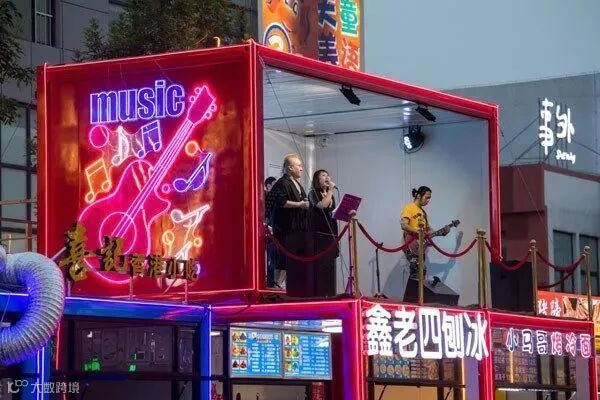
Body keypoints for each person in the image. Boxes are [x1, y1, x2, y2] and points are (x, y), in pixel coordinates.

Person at [270, 154, 311, 295]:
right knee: (282, 260)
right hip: (285, 229)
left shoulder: (297, 184)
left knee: (292, 261)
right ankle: (277, 289)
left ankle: (289, 288)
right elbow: (281, 202)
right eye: (298, 165)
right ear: (290, 167)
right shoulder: (282, 183)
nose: (301, 168)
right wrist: (300, 204)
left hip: (297, 229)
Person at [400, 186, 449, 278]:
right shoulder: (409, 207)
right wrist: (417, 231)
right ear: (419, 196)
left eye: (429, 198)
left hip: (421, 248)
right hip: (410, 246)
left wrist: (442, 233)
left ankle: (416, 287)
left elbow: (428, 231)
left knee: (421, 273)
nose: (428, 200)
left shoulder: (423, 213)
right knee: (417, 272)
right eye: (427, 197)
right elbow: (404, 225)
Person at [308, 169, 339, 297]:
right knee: (320, 266)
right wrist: (330, 190)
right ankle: (319, 295)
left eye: (328, 175)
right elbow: (322, 206)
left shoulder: (331, 195)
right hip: (319, 234)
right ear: (317, 179)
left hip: (331, 233)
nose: (327, 177)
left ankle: (330, 293)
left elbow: (332, 213)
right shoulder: (313, 193)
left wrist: (345, 212)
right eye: (323, 175)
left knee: (330, 266)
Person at [264, 176, 278, 288]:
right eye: (275, 184)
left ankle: (272, 283)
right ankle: (270, 284)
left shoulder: (275, 199)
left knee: (273, 259)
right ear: (269, 186)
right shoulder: (265, 198)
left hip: (273, 232)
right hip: (267, 232)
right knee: (270, 259)